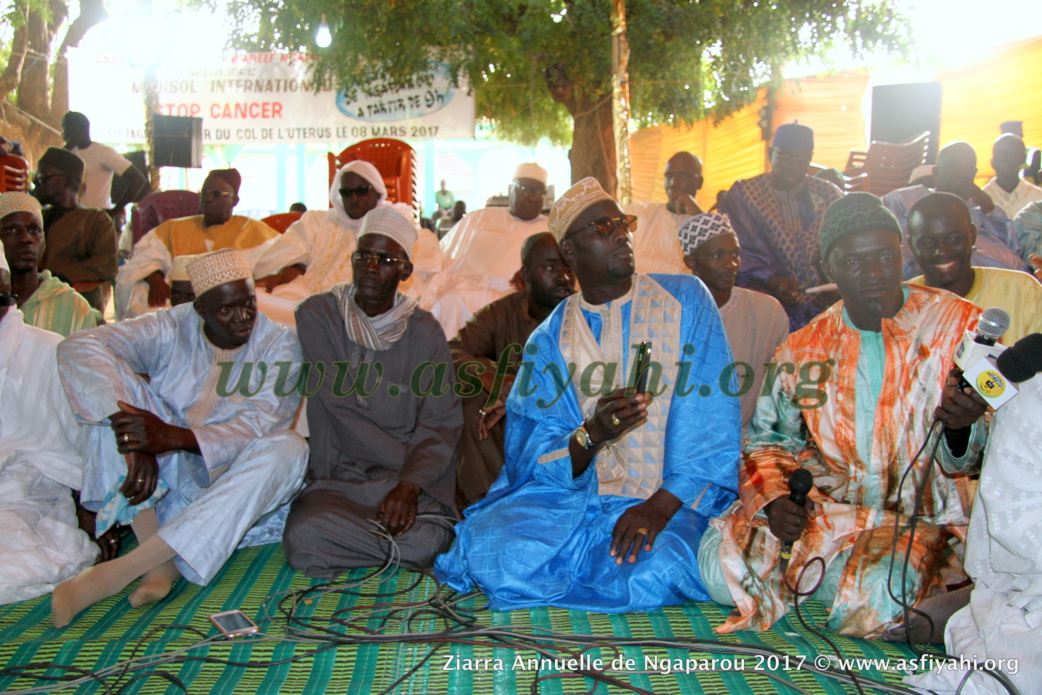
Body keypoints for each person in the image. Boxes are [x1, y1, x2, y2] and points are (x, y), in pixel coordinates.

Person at [435, 177, 740, 612]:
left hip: (670, 501)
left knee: (659, 567)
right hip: (573, 503)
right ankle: (584, 568)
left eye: (622, 224)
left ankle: (595, 567)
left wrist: (658, 507)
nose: (620, 234)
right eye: (602, 228)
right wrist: (592, 434)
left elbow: (710, 424)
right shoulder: (549, 339)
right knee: (492, 549)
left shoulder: (687, 300)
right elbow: (532, 453)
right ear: (570, 253)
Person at [699, 193, 989, 639]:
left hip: (929, 521)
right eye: (853, 263)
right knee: (720, 570)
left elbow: (1008, 444)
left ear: (901, 253)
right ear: (827, 269)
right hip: (830, 515)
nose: (873, 275)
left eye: (885, 257)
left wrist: (964, 427)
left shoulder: (960, 328)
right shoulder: (804, 348)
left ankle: (879, 583)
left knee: (882, 590)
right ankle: (862, 582)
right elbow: (768, 442)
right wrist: (777, 501)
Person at [51, 249, 308, 627]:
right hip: (163, 483)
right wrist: (135, 433)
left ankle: (124, 570)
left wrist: (173, 437)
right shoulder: (169, 327)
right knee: (105, 405)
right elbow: (78, 346)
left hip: (233, 494)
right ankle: (161, 558)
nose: (243, 319)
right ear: (199, 309)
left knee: (290, 449)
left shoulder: (280, 343)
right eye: (226, 310)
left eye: (249, 303)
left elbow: (261, 425)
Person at [283, 207, 461, 575]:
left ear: (405, 271)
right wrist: (409, 476)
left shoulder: (425, 331)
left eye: (385, 259)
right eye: (363, 256)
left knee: (430, 540)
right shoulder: (318, 316)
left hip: (410, 480)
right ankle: (388, 546)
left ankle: (375, 545)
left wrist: (410, 485)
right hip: (343, 477)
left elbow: (440, 420)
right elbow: (339, 410)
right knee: (303, 536)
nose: (370, 266)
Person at [905, 335, 1042, 695]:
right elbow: (1011, 507)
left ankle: (971, 602)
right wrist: (960, 426)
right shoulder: (1026, 373)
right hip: (1017, 564)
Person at [0, 238, 97, 605]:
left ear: (6, 286)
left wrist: (92, 514)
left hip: (25, 493)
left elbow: (84, 444)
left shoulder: (48, 349)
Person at [450, 232, 575, 507]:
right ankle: (487, 502)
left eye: (569, 267)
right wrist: (491, 377)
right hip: (507, 443)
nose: (564, 276)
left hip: (570, 435)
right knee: (473, 397)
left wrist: (526, 395)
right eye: (552, 267)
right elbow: (450, 351)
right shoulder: (501, 314)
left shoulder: (588, 314)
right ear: (527, 275)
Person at [253, 161, 443, 326]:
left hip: (368, 303)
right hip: (310, 296)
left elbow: (417, 263)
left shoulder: (393, 221)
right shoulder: (319, 221)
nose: (354, 199)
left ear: (377, 192)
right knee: (263, 304)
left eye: (361, 191)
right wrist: (276, 278)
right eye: (347, 192)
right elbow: (292, 256)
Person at [722, 122, 844, 331]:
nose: (793, 165)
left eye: (801, 158)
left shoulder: (829, 195)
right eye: (786, 155)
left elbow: (845, 245)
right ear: (771, 154)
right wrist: (771, 279)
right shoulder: (744, 194)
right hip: (764, 299)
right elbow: (736, 250)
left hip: (823, 304)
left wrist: (837, 284)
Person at [114, 168, 279, 320]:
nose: (208, 199)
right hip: (178, 301)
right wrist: (155, 280)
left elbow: (283, 262)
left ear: (234, 200)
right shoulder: (173, 228)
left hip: (233, 302)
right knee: (144, 304)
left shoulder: (254, 230)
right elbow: (142, 260)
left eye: (216, 193)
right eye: (204, 193)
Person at [678, 213, 788, 432]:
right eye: (718, 255)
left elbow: (783, 387)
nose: (732, 264)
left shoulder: (767, 312)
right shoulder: (673, 312)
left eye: (736, 254)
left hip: (749, 445)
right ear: (691, 262)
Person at [421, 163, 551, 339]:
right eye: (524, 189)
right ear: (510, 189)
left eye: (537, 192)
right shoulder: (481, 217)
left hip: (513, 300)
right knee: (450, 299)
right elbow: (445, 255)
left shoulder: (550, 229)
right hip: (461, 293)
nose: (530, 197)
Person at [907, 192, 1042, 345]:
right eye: (927, 242)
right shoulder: (900, 304)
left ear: (972, 235)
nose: (942, 251)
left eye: (953, 239)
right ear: (912, 246)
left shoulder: (1022, 290)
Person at [883, 141, 1027, 278]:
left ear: (974, 174)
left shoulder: (983, 209)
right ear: (936, 173)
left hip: (991, 284)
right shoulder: (902, 199)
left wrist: (988, 209)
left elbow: (1014, 256)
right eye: (953, 166)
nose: (961, 174)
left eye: (967, 169)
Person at [33, 147, 118, 313]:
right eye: (36, 177)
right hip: (33, 302)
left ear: (70, 182)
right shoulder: (35, 217)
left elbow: (107, 264)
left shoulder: (95, 220)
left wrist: (56, 280)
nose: (37, 182)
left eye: (44, 177)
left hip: (77, 306)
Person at [0, 192, 97, 336]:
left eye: (34, 230)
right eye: (11, 230)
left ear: (44, 242)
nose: (25, 238)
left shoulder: (74, 307)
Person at [623, 151, 704, 275]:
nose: (673, 183)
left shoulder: (709, 228)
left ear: (699, 182)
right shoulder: (637, 213)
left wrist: (697, 215)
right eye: (669, 176)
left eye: (682, 176)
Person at [61, 111, 147, 218]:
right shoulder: (68, 153)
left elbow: (138, 179)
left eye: (64, 128)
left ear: (78, 130)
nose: (62, 134)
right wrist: (68, 146)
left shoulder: (103, 152)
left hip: (96, 216)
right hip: (73, 216)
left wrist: (115, 210)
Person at [982, 134, 1042, 220]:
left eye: (1010, 153)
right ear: (992, 161)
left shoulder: (1038, 197)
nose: (1004, 158)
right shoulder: (982, 200)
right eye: (999, 153)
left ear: (1023, 158)